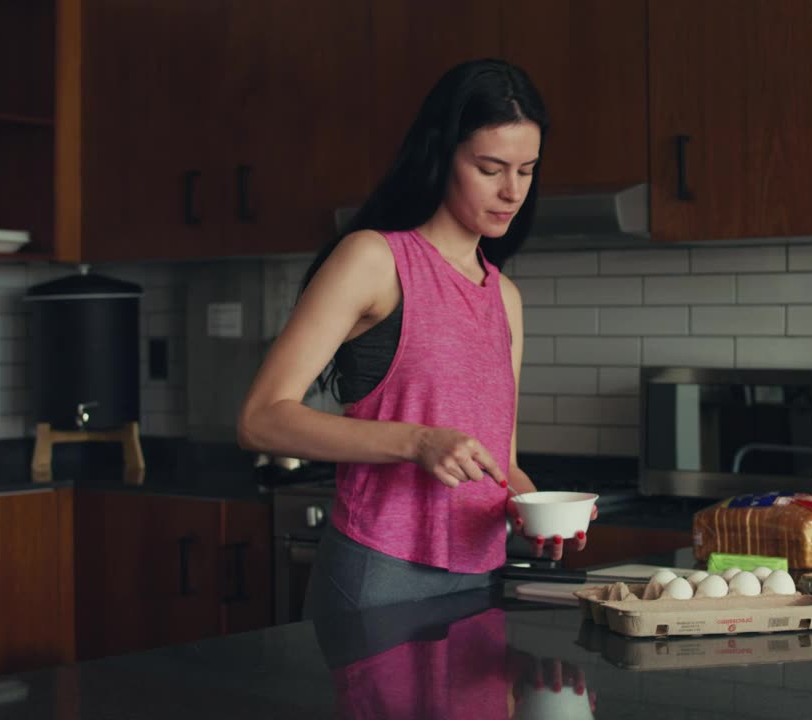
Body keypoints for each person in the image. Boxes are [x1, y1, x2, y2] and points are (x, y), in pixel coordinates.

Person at [236, 58, 593, 618]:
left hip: (480, 577)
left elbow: (502, 460)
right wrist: (417, 442)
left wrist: (531, 506)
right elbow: (259, 419)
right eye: (490, 167)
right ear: (442, 154)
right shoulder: (374, 260)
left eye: (526, 171)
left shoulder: (505, 298)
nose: (511, 191)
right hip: (379, 572)